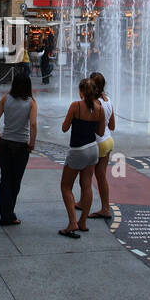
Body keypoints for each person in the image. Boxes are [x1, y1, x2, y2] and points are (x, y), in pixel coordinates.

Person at [58, 77, 106, 238]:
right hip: (93, 149)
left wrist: (73, 120)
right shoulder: (100, 108)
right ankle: (83, 221)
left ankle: (72, 223)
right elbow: (100, 132)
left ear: (81, 92)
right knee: (86, 185)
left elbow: (64, 128)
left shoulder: (76, 106)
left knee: (66, 187)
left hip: (78, 150)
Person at [0, 74, 37, 226]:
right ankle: (9, 214)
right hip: (20, 146)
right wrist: (32, 143)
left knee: (5, 178)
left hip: (4, 143)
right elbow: (33, 125)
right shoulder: (31, 103)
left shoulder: (5, 99)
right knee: (15, 180)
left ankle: (5, 214)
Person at [88, 71, 116, 220]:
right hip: (108, 140)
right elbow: (112, 126)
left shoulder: (94, 103)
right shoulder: (108, 100)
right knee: (101, 176)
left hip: (97, 142)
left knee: (86, 177)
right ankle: (105, 208)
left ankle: (85, 204)